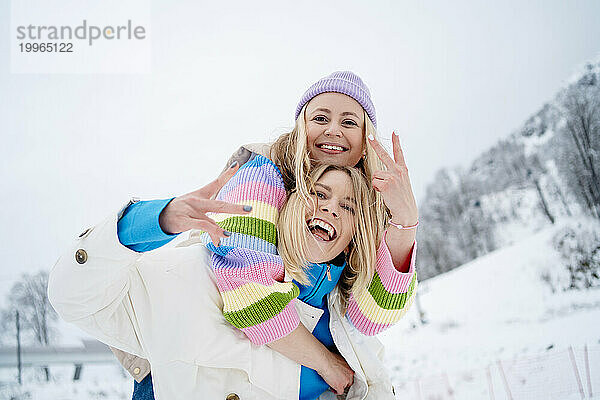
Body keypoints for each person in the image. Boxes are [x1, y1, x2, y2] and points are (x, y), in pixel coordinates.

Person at [49, 71, 419, 399]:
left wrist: (405, 224)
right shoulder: (264, 172)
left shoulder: (338, 299)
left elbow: (372, 318)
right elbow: (250, 296)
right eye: (320, 117)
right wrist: (155, 219)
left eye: (349, 122)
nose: (333, 130)